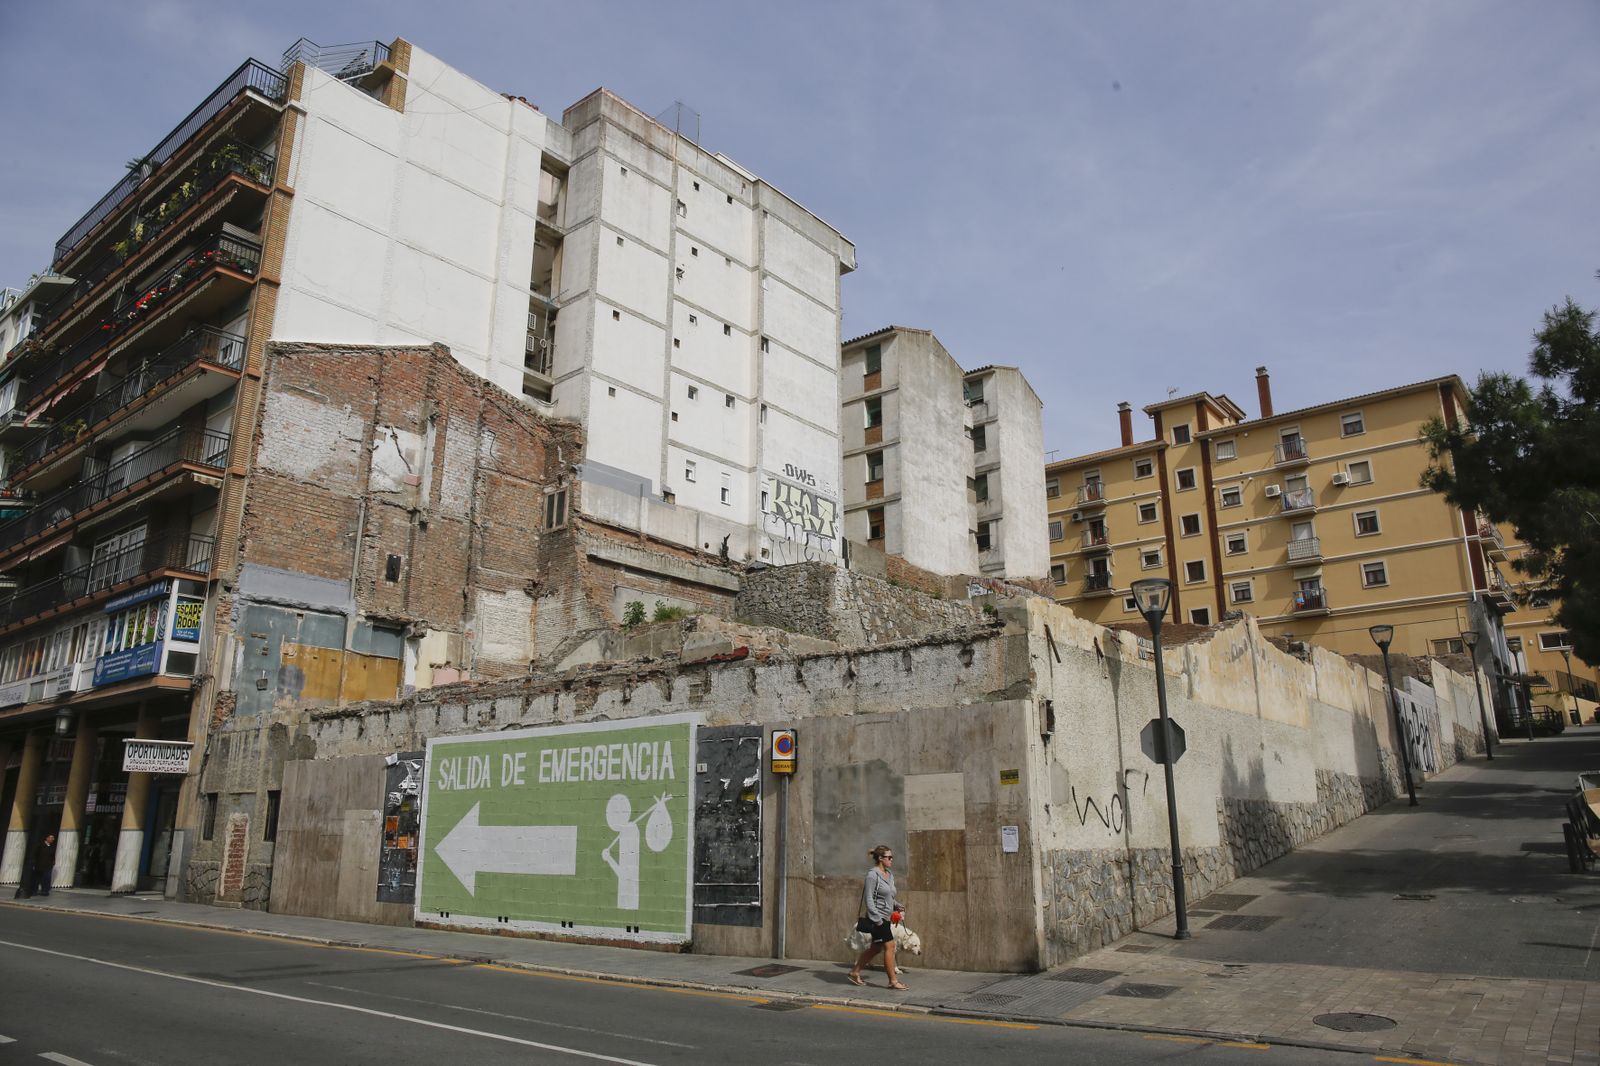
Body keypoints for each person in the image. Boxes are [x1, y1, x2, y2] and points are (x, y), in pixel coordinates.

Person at [847, 844, 907, 990]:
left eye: (892, 857)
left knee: (876, 948)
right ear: (880, 858)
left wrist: (897, 905)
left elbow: (889, 897)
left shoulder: (889, 874)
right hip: (878, 919)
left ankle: (855, 972)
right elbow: (869, 900)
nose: (892, 860)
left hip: (886, 917)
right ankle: (893, 981)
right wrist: (878, 920)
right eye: (889, 857)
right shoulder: (872, 875)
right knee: (890, 946)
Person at [33, 833, 56, 897]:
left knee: (46, 878)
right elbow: (35, 854)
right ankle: (34, 891)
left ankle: (45, 891)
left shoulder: (51, 846)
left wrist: (53, 861)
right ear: (47, 838)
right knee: (37, 879)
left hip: (48, 866)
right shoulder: (40, 845)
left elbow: (52, 855)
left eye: (53, 838)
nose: (53, 839)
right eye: (51, 838)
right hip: (39, 865)